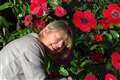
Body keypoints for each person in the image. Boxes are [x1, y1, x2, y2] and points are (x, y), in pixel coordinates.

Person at [0, 20, 73, 80]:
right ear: (47, 31)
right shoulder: (32, 46)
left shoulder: (32, 43)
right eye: (58, 38)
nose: (60, 45)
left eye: (63, 44)